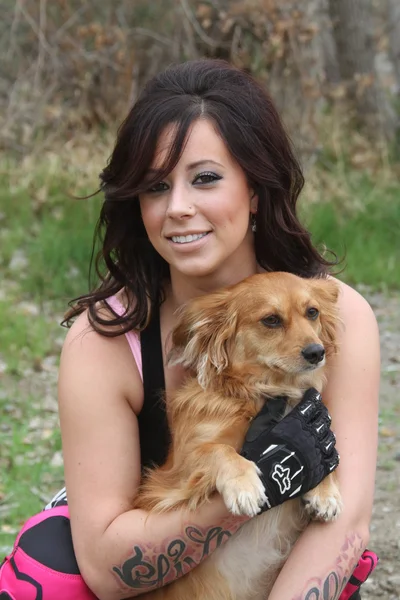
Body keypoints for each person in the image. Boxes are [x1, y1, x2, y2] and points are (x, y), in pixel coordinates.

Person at [0, 59, 379, 600]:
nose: (178, 208)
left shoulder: (333, 312)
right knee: (48, 571)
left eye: (205, 178)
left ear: (255, 189)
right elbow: (106, 570)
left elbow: (346, 525)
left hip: (278, 577)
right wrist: (244, 492)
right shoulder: (105, 337)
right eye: (156, 186)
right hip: (170, 570)